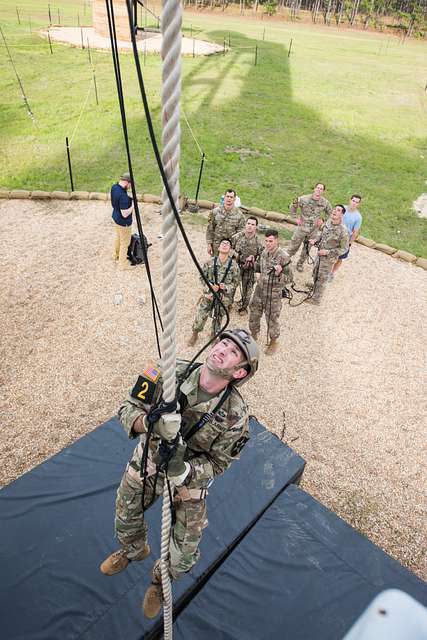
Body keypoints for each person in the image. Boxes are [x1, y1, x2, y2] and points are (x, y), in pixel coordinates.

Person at [100, 328, 259, 619]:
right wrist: (150, 425)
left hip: (187, 476)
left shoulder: (237, 416)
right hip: (151, 455)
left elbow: (219, 463)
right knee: (125, 513)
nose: (223, 349)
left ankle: (161, 583)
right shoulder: (167, 371)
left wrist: (185, 469)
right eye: (223, 342)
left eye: (233, 352)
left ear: (239, 373)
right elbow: (126, 408)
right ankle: (133, 550)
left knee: (185, 550)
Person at [188, 239, 240, 346]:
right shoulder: (210, 262)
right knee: (201, 314)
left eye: (227, 244)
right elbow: (202, 278)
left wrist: (225, 287)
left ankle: (214, 334)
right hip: (210, 294)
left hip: (223, 296)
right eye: (222, 244)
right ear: (218, 248)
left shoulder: (234, 266)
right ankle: (195, 333)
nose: (225, 246)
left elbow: (236, 283)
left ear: (230, 249)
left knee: (218, 316)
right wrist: (210, 288)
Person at [248, 229, 292, 355]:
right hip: (260, 289)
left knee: (272, 318)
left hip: (273, 293)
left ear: (277, 240)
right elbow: (257, 264)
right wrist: (257, 273)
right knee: (254, 312)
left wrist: (279, 273)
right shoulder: (264, 252)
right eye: (266, 241)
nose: (268, 243)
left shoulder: (284, 257)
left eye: (271, 241)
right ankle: (254, 334)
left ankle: (273, 341)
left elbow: (290, 278)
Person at [305, 204, 349, 305]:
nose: (334, 211)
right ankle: (315, 286)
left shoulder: (343, 231)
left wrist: (328, 252)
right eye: (334, 209)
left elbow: (344, 248)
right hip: (319, 255)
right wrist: (315, 241)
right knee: (316, 271)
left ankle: (316, 299)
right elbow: (322, 234)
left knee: (323, 277)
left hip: (328, 259)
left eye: (338, 210)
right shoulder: (328, 222)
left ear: (342, 215)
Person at [287, 183, 332, 272]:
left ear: (323, 191)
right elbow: (293, 205)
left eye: (321, 189)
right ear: (314, 189)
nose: (319, 190)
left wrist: (323, 220)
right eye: (318, 188)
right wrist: (295, 217)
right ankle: (285, 261)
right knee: (293, 246)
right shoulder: (304, 199)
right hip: (302, 227)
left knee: (307, 248)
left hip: (314, 230)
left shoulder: (325, 202)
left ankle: (300, 264)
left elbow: (331, 213)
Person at [231, 216, 264, 315]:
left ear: (256, 227)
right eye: (248, 223)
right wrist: (238, 256)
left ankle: (243, 307)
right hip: (236, 266)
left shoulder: (259, 241)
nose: (250, 226)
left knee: (248, 289)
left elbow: (262, 256)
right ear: (245, 224)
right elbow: (229, 250)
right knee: (231, 286)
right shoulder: (236, 237)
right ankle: (228, 304)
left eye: (253, 224)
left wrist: (254, 260)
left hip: (250, 268)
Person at [331, 194, 362, 279]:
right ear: (350, 200)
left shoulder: (358, 217)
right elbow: (333, 218)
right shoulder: (342, 209)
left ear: (359, 204)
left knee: (339, 258)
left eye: (356, 202)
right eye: (353, 201)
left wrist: (349, 243)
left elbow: (355, 232)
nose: (354, 203)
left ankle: (332, 273)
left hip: (345, 239)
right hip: (334, 235)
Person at [206, 189, 245, 256]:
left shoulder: (240, 215)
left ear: (234, 199)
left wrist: (236, 249)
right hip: (216, 246)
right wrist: (209, 244)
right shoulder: (215, 212)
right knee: (215, 264)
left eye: (231, 197)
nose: (229, 199)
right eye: (227, 196)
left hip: (231, 247)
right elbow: (210, 229)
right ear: (224, 197)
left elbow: (241, 233)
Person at [111, 172, 134, 271]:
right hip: (123, 222)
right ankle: (122, 264)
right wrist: (133, 206)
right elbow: (125, 214)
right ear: (127, 182)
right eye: (130, 184)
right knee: (125, 242)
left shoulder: (114, 187)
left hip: (115, 218)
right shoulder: (123, 196)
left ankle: (115, 255)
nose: (130, 187)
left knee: (118, 237)